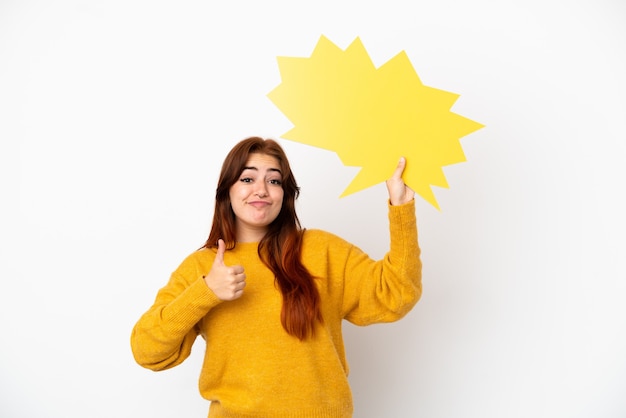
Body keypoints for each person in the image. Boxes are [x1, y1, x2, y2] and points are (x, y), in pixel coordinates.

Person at [130, 136, 422, 418]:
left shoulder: (323, 250)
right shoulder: (202, 266)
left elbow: (396, 295)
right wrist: (206, 292)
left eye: (274, 180)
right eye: (247, 179)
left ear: (286, 193)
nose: (261, 190)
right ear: (226, 191)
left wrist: (401, 208)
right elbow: (148, 351)